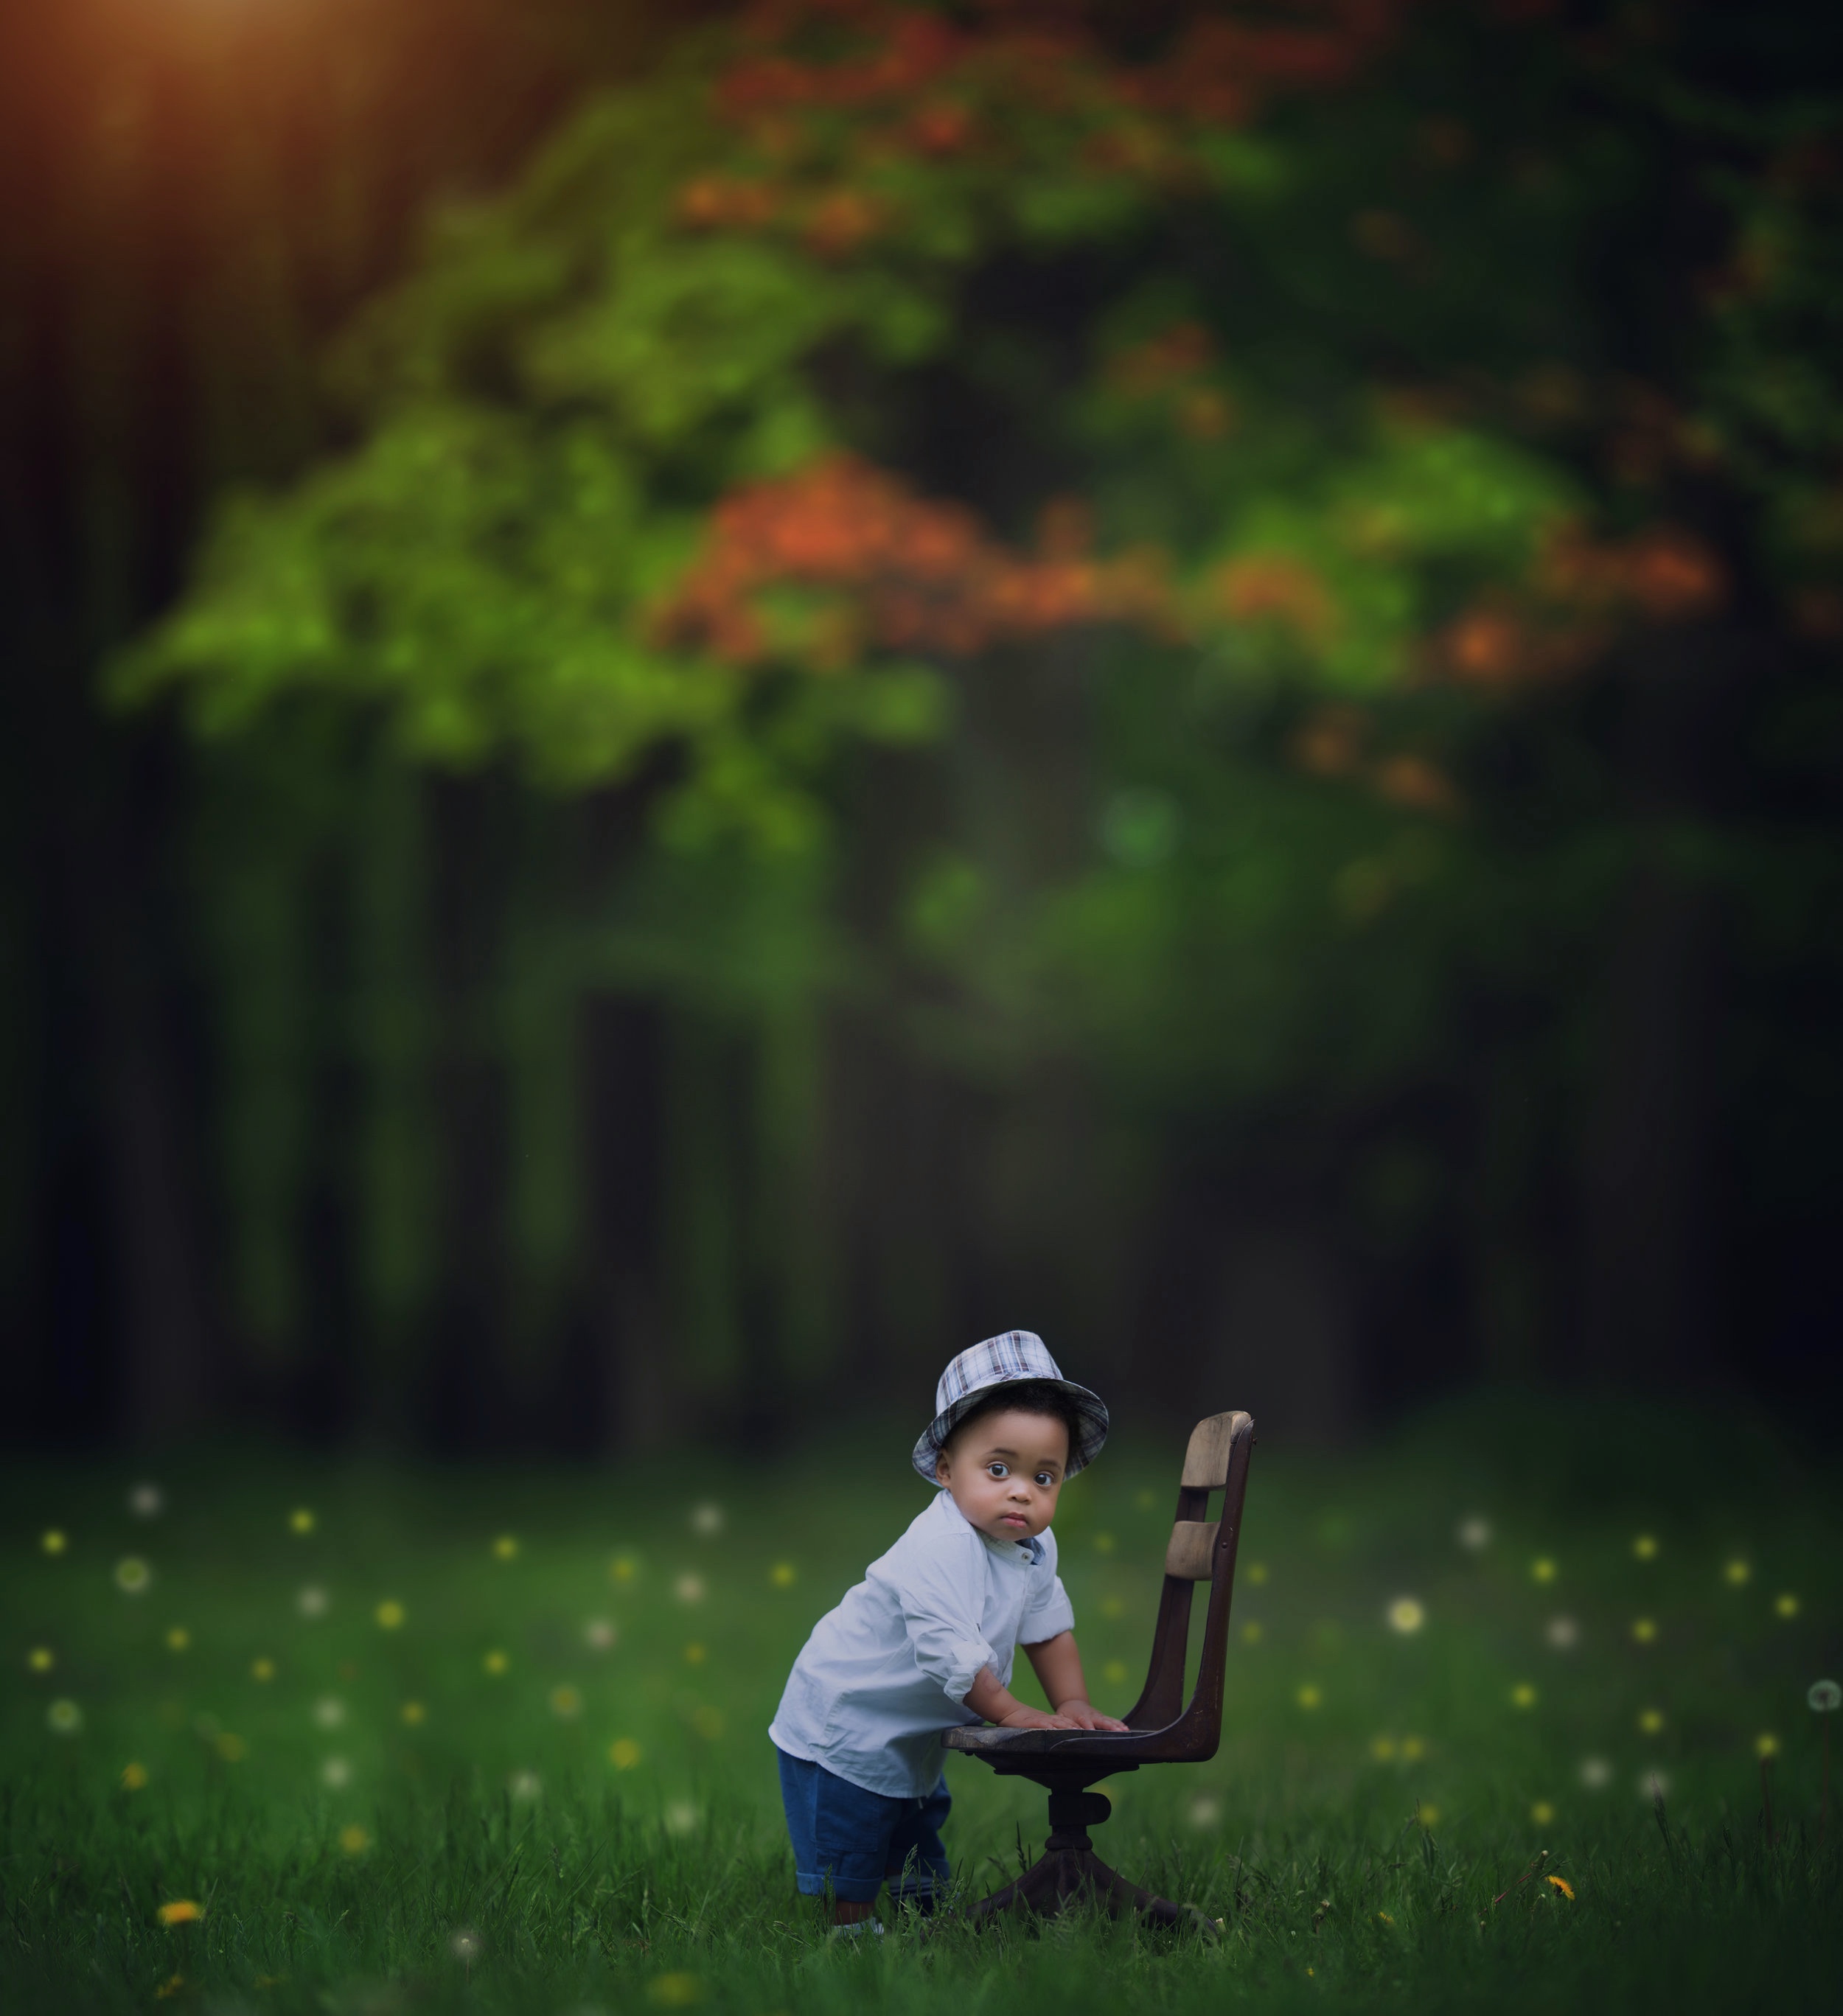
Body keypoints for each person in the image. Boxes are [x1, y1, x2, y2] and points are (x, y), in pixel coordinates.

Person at [768, 1331, 1128, 1935]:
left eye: (1046, 1477)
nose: (1022, 1490)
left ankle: (926, 1925)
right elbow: (948, 1652)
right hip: (844, 1721)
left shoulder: (1034, 1545)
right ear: (944, 1470)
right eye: (997, 1468)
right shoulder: (941, 1545)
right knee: (854, 1839)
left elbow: (1047, 1626)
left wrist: (1071, 1701)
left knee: (914, 1824)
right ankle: (852, 1935)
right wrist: (1014, 1711)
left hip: (910, 1730)